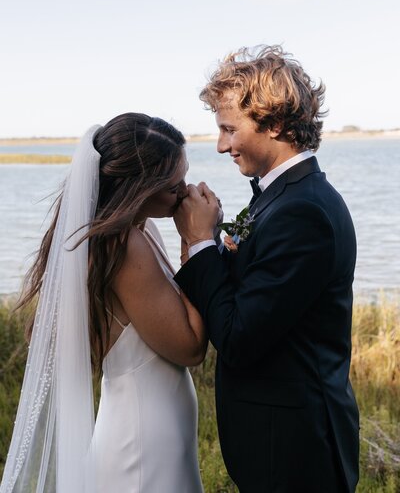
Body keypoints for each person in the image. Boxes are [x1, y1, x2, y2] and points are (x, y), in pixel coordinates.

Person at [173, 45, 360, 493]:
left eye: (229, 129)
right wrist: (214, 240)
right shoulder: (281, 197)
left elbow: (238, 339)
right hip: (278, 444)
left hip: (297, 452)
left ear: (273, 123)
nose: (221, 146)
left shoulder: (304, 212)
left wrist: (201, 244)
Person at [0, 113, 206, 493]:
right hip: (143, 439)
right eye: (174, 187)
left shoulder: (142, 231)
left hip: (155, 427)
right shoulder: (125, 246)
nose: (185, 192)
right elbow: (189, 346)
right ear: (139, 188)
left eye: (185, 178)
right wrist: (198, 242)